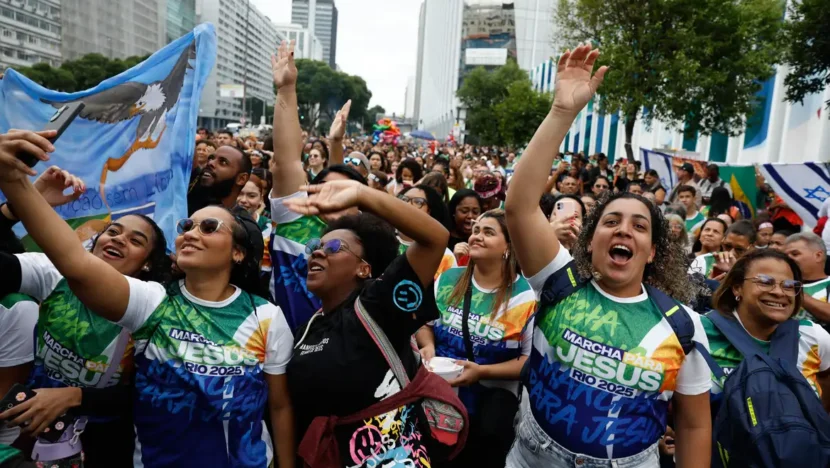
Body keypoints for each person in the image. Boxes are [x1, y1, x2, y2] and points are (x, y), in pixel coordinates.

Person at [0, 128, 296, 468]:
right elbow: (77, 264)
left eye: (208, 227)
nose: (190, 234)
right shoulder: (154, 303)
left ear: (239, 253)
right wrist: (14, 181)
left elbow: (279, 406)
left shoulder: (266, 318)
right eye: (186, 226)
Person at [503, 44, 711, 467]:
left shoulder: (683, 326)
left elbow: (693, 425)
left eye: (639, 226)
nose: (623, 230)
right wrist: (562, 113)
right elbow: (520, 206)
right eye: (611, 221)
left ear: (652, 251)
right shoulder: (558, 281)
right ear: (590, 239)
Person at [282, 179, 451, 468]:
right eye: (315, 246)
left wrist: (363, 194)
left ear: (364, 267)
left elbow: (435, 237)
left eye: (334, 247)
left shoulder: (379, 308)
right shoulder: (307, 328)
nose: (318, 253)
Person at [416, 209, 535, 468]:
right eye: (476, 231)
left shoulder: (526, 298)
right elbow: (425, 325)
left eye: (488, 232)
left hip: (487, 417)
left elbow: (528, 362)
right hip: (437, 403)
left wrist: (481, 372)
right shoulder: (448, 279)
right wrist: (428, 346)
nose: (477, 236)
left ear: (508, 246)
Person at [703, 249, 830, 412]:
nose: (778, 292)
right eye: (765, 281)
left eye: (789, 285)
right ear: (737, 288)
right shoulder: (699, 332)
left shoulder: (812, 336)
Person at [397, 185, 457, 279]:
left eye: (418, 202)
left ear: (430, 211)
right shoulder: (382, 238)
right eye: (404, 199)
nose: (407, 205)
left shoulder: (444, 255)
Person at [187, 145, 252, 215]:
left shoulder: (241, 224)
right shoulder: (188, 199)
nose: (210, 163)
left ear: (241, 179)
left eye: (223, 162)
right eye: (211, 158)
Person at [784, 232, 830, 325]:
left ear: (818, 256)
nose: (789, 259)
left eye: (795, 254)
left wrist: (797, 293)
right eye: (786, 256)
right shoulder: (780, 284)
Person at [448, 189, 483, 255]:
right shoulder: (443, 239)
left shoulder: (483, 240)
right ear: (453, 212)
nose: (470, 216)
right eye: (464, 211)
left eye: (475, 212)